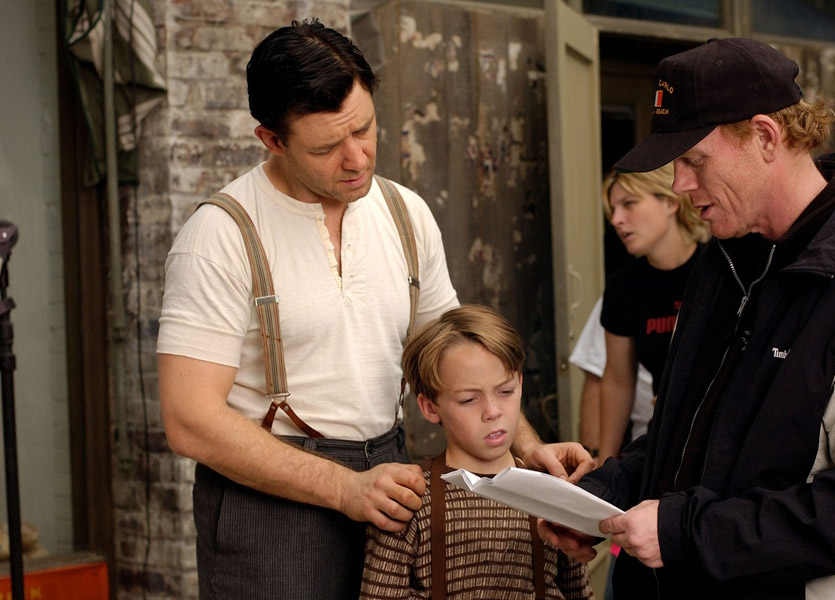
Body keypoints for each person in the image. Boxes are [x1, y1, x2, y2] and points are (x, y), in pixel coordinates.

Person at [156, 19, 593, 599]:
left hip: (394, 474)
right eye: (326, 146)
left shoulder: (405, 213)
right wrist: (343, 489)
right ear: (272, 140)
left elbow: (462, 362)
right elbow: (189, 420)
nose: (357, 157)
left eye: (364, 129)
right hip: (270, 498)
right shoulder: (219, 235)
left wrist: (523, 443)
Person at [539, 37, 835, 599]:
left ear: (764, 136)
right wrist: (600, 495)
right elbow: (685, 434)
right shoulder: (722, 257)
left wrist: (686, 532)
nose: (680, 184)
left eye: (694, 160)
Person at [360, 305, 595, 599]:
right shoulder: (408, 500)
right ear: (430, 408)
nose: (493, 412)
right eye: (469, 399)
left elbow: (579, 594)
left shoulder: (551, 492)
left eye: (505, 391)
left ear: (521, 385)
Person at [595, 163, 708, 464]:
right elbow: (618, 378)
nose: (617, 220)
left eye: (629, 204)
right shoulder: (623, 287)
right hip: (665, 441)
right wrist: (605, 465)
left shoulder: (719, 269)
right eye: (613, 210)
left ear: (670, 202)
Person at [569, 297, 654, 461]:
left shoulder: (710, 285)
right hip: (646, 447)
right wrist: (594, 457)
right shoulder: (624, 290)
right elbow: (598, 373)